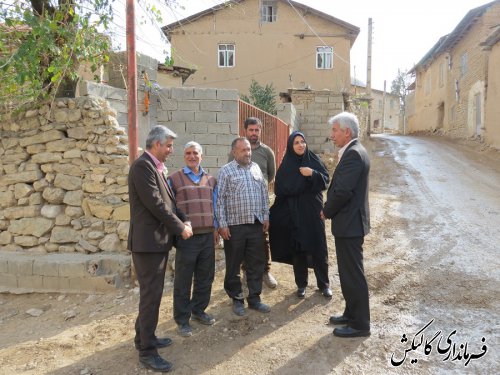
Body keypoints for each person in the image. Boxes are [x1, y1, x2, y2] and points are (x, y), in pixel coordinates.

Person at [128, 125, 193, 372]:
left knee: (152, 295)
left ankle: (144, 337)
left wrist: (183, 218)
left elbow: (170, 202)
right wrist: (180, 228)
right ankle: (147, 351)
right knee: (150, 297)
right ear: (156, 144)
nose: (170, 150)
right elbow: (156, 204)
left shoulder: (154, 167)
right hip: (147, 245)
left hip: (155, 243)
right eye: (168, 145)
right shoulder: (142, 166)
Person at [321, 112, 371, 338]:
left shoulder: (353, 154)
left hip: (350, 225)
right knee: (348, 273)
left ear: (347, 132)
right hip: (348, 224)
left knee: (353, 275)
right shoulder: (353, 151)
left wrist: (326, 210)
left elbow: (343, 191)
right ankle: (351, 314)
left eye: (335, 131)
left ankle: (360, 325)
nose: (332, 135)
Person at [269, 131, 331, 299]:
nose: (300, 145)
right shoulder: (287, 165)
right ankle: (301, 285)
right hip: (294, 214)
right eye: (296, 142)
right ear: (291, 145)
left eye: (302, 141)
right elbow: (280, 189)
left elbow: (326, 179)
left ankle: (324, 284)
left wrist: (312, 173)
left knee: (319, 247)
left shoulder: (313, 160)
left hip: (313, 212)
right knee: (298, 250)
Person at [216, 137, 271, 316]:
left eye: (248, 149)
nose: (248, 153)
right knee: (233, 265)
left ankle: (254, 298)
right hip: (234, 227)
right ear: (234, 152)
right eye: (243, 150)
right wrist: (222, 224)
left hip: (255, 225)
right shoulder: (226, 171)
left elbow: (264, 194)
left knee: (256, 263)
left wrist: (265, 216)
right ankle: (237, 299)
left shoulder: (256, 168)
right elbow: (220, 199)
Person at [168, 142, 217, 338]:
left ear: (201, 156)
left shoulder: (210, 179)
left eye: (195, 153)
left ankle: (199, 310)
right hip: (187, 238)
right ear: (184, 156)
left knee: (206, 277)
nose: (191, 156)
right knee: (183, 279)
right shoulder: (174, 179)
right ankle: (182, 320)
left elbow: (215, 205)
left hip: (207, 236)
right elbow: (169, 208)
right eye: (188, 153)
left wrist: (216, 228)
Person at [228, 117, 277, 289]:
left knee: (263, 239)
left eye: (257, 130)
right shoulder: (234, 151)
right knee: (241, 239)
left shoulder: (267, 152)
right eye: (251, 130)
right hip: (241, 205)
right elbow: (230, 174)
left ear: (260, 131)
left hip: (260, 203)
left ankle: (265, 271)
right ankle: (245, 270)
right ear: (245, 130)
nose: (254, 133)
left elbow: (270, 175)